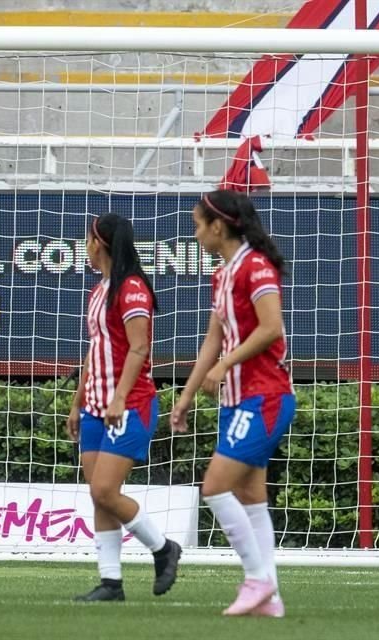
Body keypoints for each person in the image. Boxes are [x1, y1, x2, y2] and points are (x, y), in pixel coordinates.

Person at [170, 190, 294, 617]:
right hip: (237, 400)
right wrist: (185, 396)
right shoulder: (222, 275)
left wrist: (225, 365)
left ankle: (256, 578)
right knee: (250, 497)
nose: (195, 232)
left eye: (197, 224)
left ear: (217, 227)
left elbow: (271, 327)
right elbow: (213, 338)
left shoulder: (254, 267)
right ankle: (271, 597)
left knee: (215, 486)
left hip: (264, 397)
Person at [67, 213, 181, 602]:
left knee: (105, 489)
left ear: (99, 242)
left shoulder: (131, 288)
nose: (85, 245)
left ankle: (163, 548)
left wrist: (117, 398)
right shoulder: (100, 288)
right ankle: (110, 582)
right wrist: (78, 401)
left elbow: (139, 347)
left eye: (87, 239)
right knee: (98, 494)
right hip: (95, 407)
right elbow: (95, 349)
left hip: (128, 405)